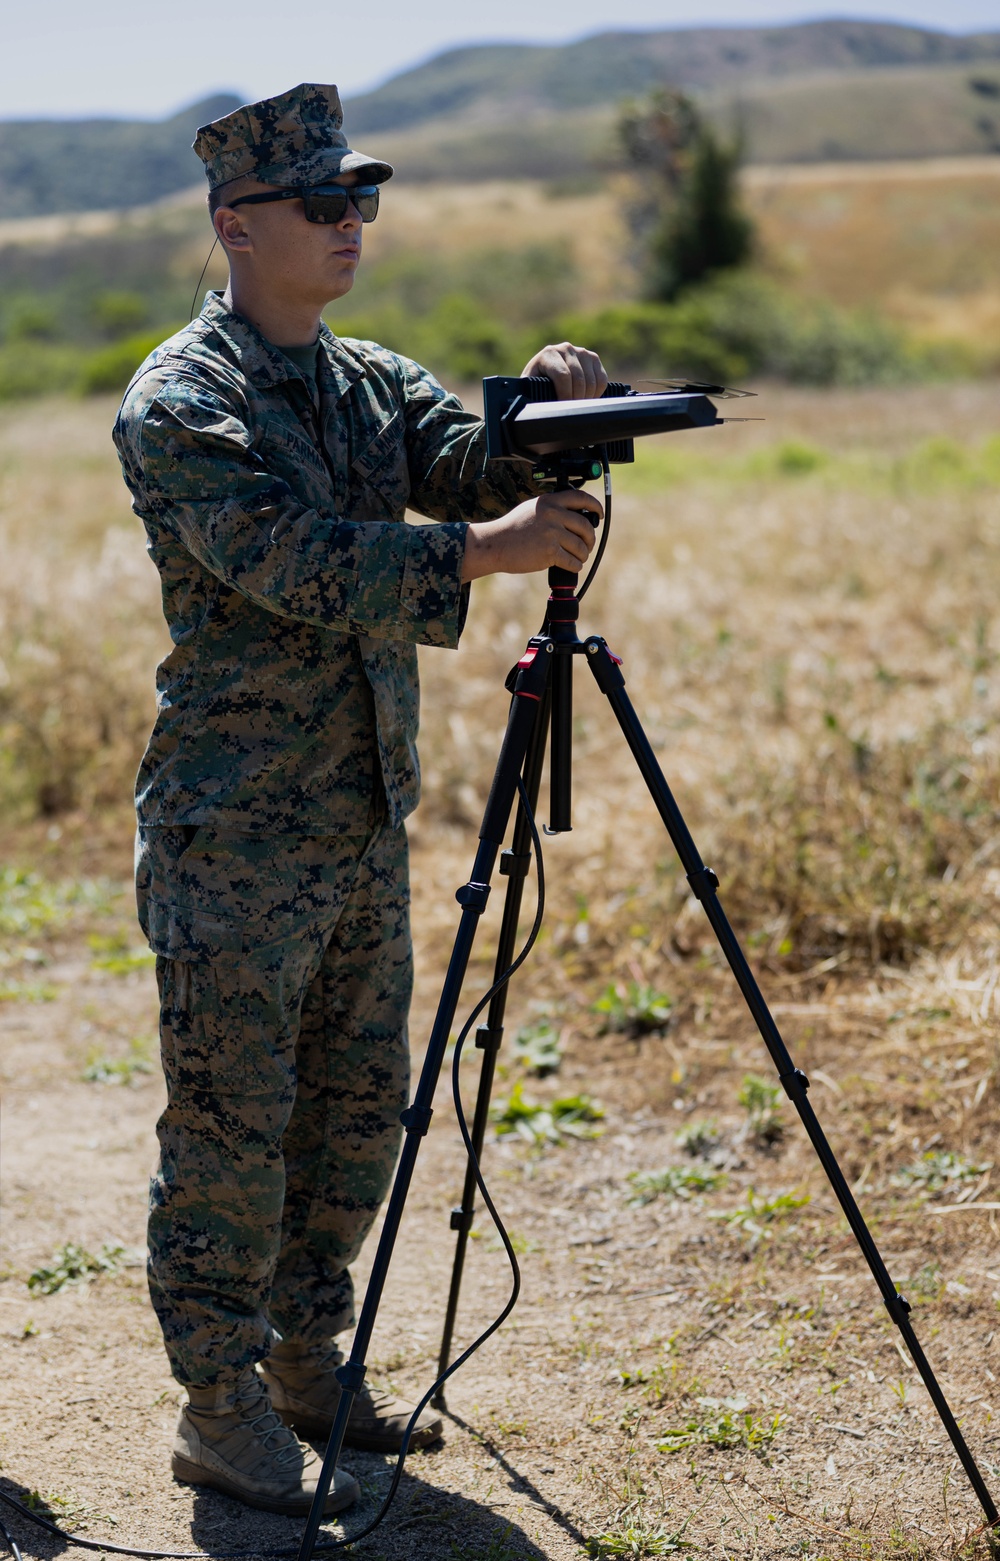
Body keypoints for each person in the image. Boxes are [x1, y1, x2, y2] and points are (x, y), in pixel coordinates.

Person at [113, 82, 607, 1519]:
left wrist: (545, 411)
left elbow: (460, 460)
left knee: (353, 1113)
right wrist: (483, 551)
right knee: (230, 1124)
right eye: (322, 205)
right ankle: (218, 1406)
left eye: (362, 200)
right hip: (234, 828)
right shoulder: (183, 402)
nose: (352, 226)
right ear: (235, 226)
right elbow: (298, 561)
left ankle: (307, 1360)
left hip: (356, 819)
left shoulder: (361, 377)